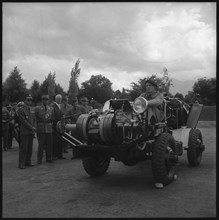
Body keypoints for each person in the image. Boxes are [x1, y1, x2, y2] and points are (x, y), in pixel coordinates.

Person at [16, 94, 36, 169]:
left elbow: (34, 120)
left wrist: (34, 127)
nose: (29, 101)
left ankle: (28, 161)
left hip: (31, 132)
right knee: (23, 148)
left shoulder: (31, 109)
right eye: (28, 99)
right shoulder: (21, 110)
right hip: (25, 132)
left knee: (30, 148)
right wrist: (32, 127)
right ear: (24, 100)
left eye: (31, 99)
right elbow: (23, 121)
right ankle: (21, 163)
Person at [35, 94, 54, 164]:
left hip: (49, 128)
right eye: (44, 99)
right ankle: (39, 159)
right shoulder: (37, 108)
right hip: (41, 128)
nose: (46, 101)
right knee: (41, 145)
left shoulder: (51, 109)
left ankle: (49, 158)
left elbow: (52, 119)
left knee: (49, 144)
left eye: (47, 99)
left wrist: (52, 127)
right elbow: (35, 118)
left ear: (48, 100)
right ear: (42, 100)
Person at [50, 94, 65, 160]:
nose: (60, 100)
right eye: (59, 99)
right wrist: (56, 123)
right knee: (55, 141)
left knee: (60, 140)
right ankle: (54, 155)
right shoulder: (52, 106)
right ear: (57, 99)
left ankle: (60, 155)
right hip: (55, 126)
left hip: (60, 126)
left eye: (61, 99)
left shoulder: (60, 106)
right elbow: (52, 116)